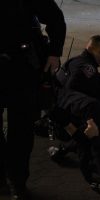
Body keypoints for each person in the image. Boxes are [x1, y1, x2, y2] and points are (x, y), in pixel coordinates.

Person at [0, 0, 66, 199]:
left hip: (21, 66)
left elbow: (55, 18)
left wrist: (54, 52)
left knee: (21, 128)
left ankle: (16, 180)